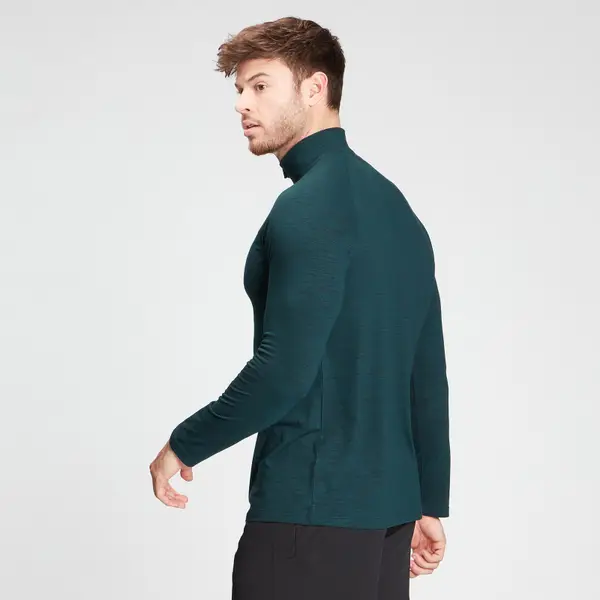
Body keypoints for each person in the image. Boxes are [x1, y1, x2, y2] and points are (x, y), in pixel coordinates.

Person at [149, 16, 451, 600]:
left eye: (260, 86)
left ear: (315, 87)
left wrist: (185, 443)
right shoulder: (397, 210)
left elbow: (283, 371)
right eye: (240, 89)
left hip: (308, 519)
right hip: (387, 523)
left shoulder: (307, 206)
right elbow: (427, 375)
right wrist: (428, 501)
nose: (242, 103)